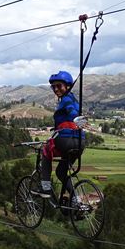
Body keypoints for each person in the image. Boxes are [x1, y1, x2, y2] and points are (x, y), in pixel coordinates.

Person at [32, 70, 86, 199]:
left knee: (45, 151)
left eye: (59, 86)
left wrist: (76, 119)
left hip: (66, 141)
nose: (56, 89)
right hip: (80, 143)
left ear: (67, 86)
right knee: (61, 172)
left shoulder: (66, 99)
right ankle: (76, 201)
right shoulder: (74, 99)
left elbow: (72, 111)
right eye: (53, 86)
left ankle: (45, 188)